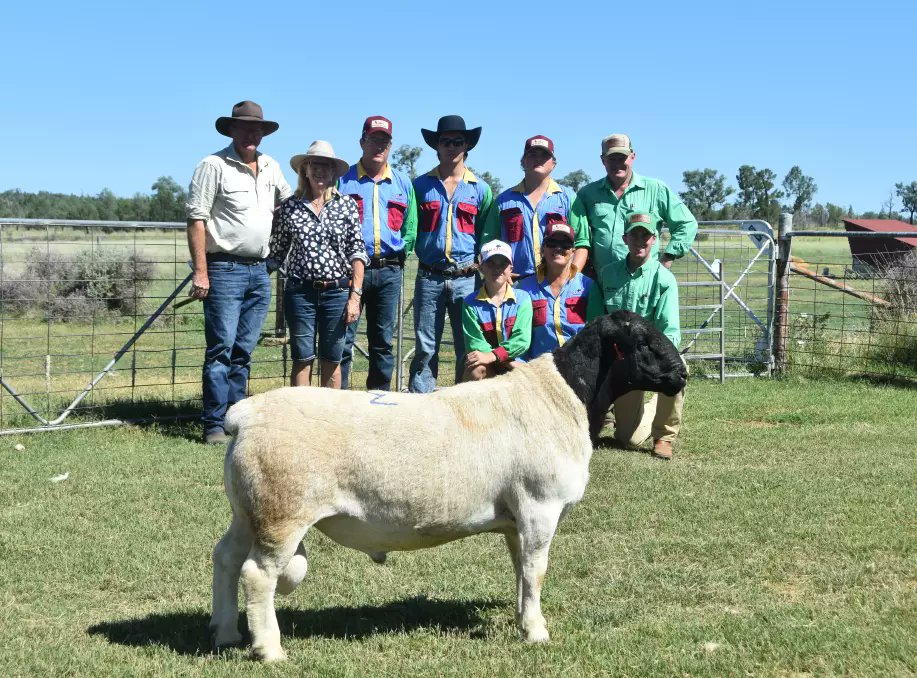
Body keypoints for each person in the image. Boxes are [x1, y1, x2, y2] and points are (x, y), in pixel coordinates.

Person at [186, 100, 292, 445]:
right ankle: (214, 424)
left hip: (260, 270)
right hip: (224, 268)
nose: (251, 134)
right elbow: (197, 219)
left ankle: (235, 419)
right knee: (221, 348)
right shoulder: (213, 165)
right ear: (231, 130)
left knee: (244, 350)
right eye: (244, 127)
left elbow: (290, 205)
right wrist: (201, 272)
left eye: (256, 129)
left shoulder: (271, 166)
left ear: (263, 133)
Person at [268, 141, 367, 389]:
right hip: (300, 293)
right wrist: (250, 274)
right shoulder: (290, 207)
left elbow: (357, 251)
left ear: (334, 171)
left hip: (337, 292)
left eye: (326, 165)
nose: (320, 171)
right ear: (305, 170)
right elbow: (277, 251)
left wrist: (355, 296)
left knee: (332, 358)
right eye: (315, 165)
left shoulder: (347, 206)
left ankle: (329, 420)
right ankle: (300, 419)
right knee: (302, 357)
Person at [586, 211, 685, 460]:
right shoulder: (607, 274)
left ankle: (664, 436)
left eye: (646, 236)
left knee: (679, 367)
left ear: (654, 240)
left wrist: (650, 358)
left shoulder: (664, 279)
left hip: (649, 357)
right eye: (634, 235)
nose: (640, 241)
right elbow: (595, 323)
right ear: (624, 238)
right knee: (627, 440)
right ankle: (648, 410)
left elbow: (669, 331)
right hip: (618, 360)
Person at [408, 115, 494, 392]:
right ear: (437, 146)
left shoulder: (481, 190)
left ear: (467, 146)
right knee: (425, 344)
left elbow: (485, 235)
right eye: (446, 141)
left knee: (466, 344)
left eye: (458, 142)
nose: (452, 147)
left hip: (466, 278)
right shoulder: (420, 186)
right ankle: (421, 401)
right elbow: (412, 227)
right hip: (429, 275)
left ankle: (461, 399)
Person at [338, 116, 417, 391]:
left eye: (384, 141)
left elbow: (411, 226)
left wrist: (399, 254)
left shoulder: (403, 183)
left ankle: (379, 401)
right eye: (373, 140)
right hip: (350, 271)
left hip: (389, 271)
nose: (379, 146)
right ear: (362, 142)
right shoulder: (343, 180)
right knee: (344, 338)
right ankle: (342, 401)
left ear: (391, 145)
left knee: (383, 341)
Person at [569, 133, 697, 285]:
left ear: (632, 156)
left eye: (622, 158)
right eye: (612, 158)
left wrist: (667, 257)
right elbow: (578, 237)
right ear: (603, 160)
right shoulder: (587, 194)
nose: (617, 163)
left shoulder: (655, 189)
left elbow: (687, 224)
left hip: (644, 282)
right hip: (602, 283)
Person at [482, 135, 588, 280]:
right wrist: (499, 273)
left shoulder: (570, 199)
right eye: (532, 155)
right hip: (515, 282)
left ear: (553, 164)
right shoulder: (503, 201)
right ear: (523, 162)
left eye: (544, 155)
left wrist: (570, 276)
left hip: (556, 282)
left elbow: (581, 243)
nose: (538, 159)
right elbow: (488, 243)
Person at [518, 222, 595, 359]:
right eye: (552, 243)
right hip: (539, 367)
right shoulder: (524, 288)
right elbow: (518, 335)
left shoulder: (588, 286)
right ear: (543, 249)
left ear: (573, 250)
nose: (558, 248)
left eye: (565, 244)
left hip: (579, 365)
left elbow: (596, 333)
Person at [461, 240, 532, 381]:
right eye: (491, 263)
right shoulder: (470, 303)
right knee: (476, 371)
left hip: (516, 363)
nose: (497, 269)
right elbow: (475, 343)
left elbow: (522, 340)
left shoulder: (523, 299)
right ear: (481, 268)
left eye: (503, 264)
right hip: (488, 364)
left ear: (510, 269)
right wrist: (500, 360)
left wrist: (495, 356)